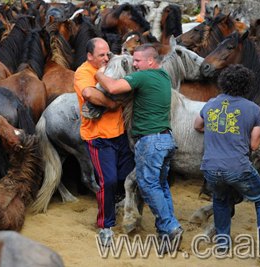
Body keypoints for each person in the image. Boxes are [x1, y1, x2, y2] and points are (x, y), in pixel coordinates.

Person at [193, 64, 260, 266]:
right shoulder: (253, 108)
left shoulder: (210, 104)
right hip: (238, 167)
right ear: (247, 86)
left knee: (220, 200)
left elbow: (197, 125)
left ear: (224, 83)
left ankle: (222, 243)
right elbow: (254, 144)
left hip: (210, 167)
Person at [95, 43, 183, 252]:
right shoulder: (163, 77)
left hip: (150, 142)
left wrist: (99, 75)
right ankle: (166, 234)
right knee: (160, 186)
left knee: (148, 186)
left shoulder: (143, 76)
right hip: (166, 140)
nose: (133, 64)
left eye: (137, 61)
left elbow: (114, 88)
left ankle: (171, 226)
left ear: (151, 61)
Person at [74, 37, 135, 247]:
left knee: (126, 175)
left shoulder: (112, 63)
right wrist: (112, 104)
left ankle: (117, 203)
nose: (106, 58)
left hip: (119, 134)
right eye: (101, 55)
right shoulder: (83, 72)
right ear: (89, 56)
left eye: (107, 53)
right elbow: (89, 94)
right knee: (107, 181)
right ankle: (105, 226)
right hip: (98, 137)